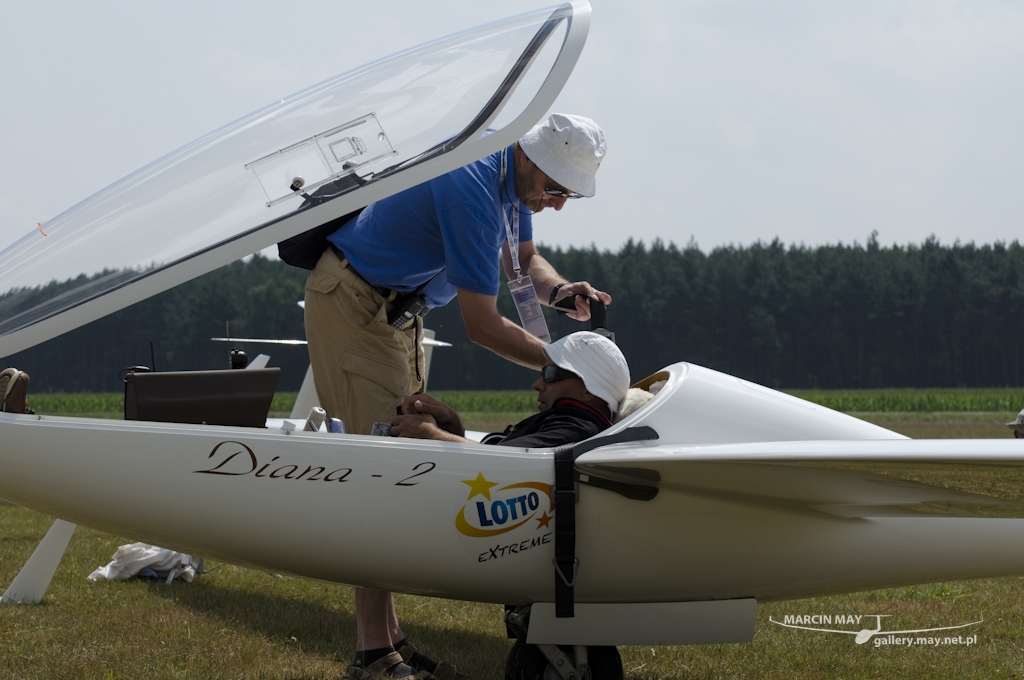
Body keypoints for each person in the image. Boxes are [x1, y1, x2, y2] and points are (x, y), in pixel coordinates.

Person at [303, 114, 611, 680]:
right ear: (532, 159)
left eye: (568, 195)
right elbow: (482, 324)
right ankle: (373, 655)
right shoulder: (473, 185)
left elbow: (526, 263)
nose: (558, 203)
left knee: (397, 461)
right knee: (384, 471)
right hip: (357, 305)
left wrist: (562, 291)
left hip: (397, 314)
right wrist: (567, 366)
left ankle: (390, 641)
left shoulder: (511, 180)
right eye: (556, 189)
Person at [392, 331, 630, 447]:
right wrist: (453, 425)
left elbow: (502, 463)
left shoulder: (574, 429)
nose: (537, 384)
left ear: (588, 390)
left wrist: (432, 434)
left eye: (549, 374)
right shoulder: (571, 424)